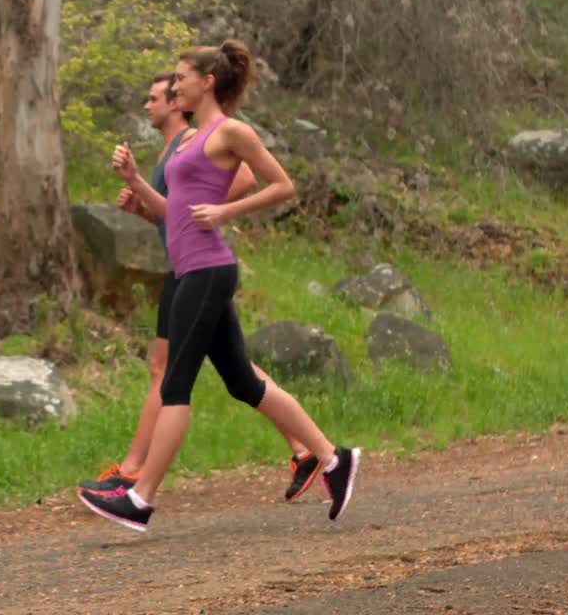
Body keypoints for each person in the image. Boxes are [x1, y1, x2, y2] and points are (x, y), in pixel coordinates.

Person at [78, 40, 361, 532]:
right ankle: (333, 460)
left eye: (182, 75)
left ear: (206, 82)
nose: (175, 83)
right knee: (244, 382)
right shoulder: (187, 142)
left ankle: (140, 499)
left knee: (175, 385)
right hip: (193, 270)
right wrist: (136, 184)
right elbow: (176, 215)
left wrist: (227, 211)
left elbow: (282, 185)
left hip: (208, 271)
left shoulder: (231, 132)